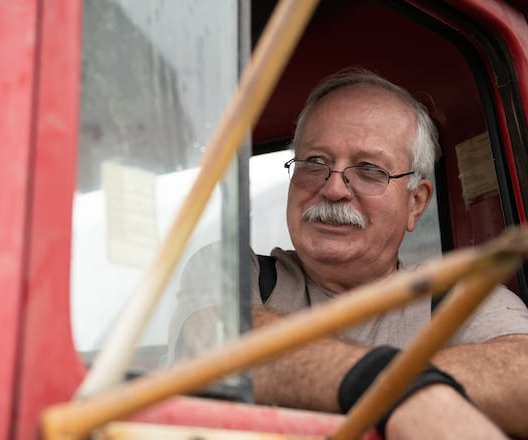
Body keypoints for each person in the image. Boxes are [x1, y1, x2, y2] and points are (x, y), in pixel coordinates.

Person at [172, 69, 528, 439]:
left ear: (416, 203)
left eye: (369, 170)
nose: (334, 188)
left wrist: (390, 384)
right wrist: (406, 392)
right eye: (314, 162)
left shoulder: (460, 298)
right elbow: (214, 343)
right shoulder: (232, 269)